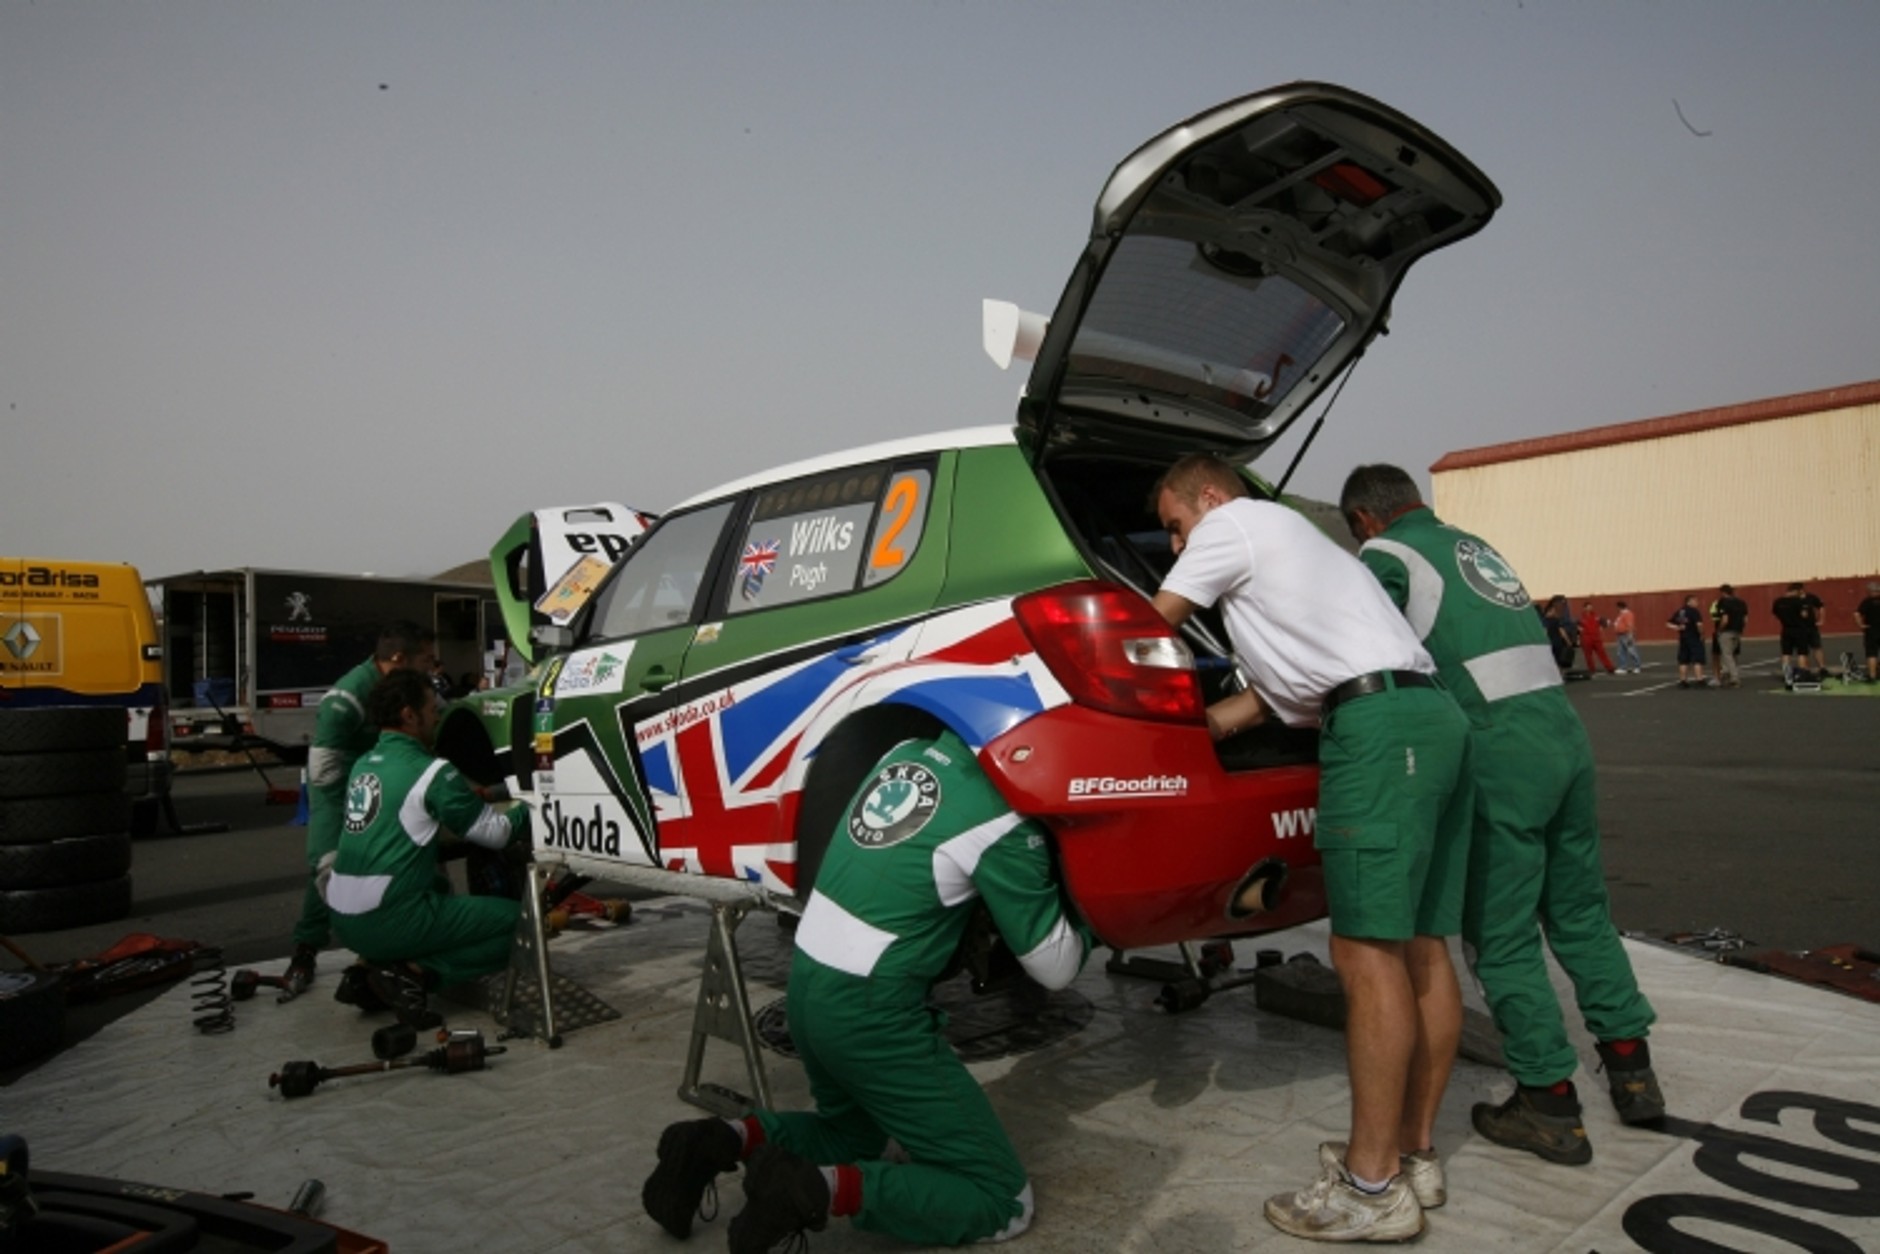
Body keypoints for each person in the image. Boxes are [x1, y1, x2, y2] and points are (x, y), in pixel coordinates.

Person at [1146, 454, 1470, 1243]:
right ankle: (1413, 1156)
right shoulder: (1299, 547)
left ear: (1209, 498)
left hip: (1375, 730)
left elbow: (1151, 627)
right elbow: (1270, 696)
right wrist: (1199, 728)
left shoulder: (1231, 523)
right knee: (1422, 943)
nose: (1177, 545)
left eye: (1175, 526)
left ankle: (1371, 1186)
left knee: (1365, 954)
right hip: (1429, 719)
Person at [640, 729, 1090, 1251]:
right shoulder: (1002, 820)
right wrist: (1092, 916)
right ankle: (811, 1191)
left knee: (851, 1137)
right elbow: (1055, 969)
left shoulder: (905, 752)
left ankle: (717, 1140)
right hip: (871, 1013)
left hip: (808, 985)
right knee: (1001, 1201)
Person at [1340, 465, 1663, 1171]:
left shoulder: (1386, 554)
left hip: (1499, 752)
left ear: (1364, 520)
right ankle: (1633, 1072)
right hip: (1563, 739)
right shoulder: (1472, 546)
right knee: (1580, 912)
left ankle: (1549, 1103)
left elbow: (1353, 640)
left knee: (1503, 933)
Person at [324, 669, 528, 1026]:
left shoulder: (363, 765)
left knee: (437, 888)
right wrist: (536, 802)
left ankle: (372, 970)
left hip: (343, 919)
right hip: (388, 920)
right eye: (433, 709)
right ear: (409, 715)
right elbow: (497, 833)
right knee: (523, 924)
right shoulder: (431, 771)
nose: (437, 717)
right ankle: (417, 975)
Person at [281, 620, 437, 992]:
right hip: (342, 791)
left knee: (418, 855)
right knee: (331, 865)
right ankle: (306, 948)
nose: (431, 668)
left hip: (387, 784)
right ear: (399, 658)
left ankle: (403, 944)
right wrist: (364, 805)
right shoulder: (346, 698)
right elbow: (323, 770)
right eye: (426, 660)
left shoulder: (412, 689)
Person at [1771, 583, 1817, 679]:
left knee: (1786, 653)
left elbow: (1775, 613)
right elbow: (1804, 615)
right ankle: (1802, 674)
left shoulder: (1778, 602)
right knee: (1802, 653)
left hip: (1786, 629)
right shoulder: (1799, 602)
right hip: (1800, 629)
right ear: (1797, 591)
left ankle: (1787, 674)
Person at [1711, 585, 1749, 688]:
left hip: (1727, 631)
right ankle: (1727, 674)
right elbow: (1745, 619)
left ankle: (1734, 677)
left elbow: (1725, 619)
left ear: (1723, 592)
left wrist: (1719, 630)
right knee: (1732, 654)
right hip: (1737, 630)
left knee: (1727, 655)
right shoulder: (1741, 602)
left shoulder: (1723, 602)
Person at [1667, 597, 1706, 688]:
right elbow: (1699, 624)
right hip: (1694, 637)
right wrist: (1701, 634)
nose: (1697, 603)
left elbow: (1668, 623)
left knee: (1683, 660)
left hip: (1683, 637)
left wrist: (1677, 628)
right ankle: (1699, 680)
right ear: (1689, 601)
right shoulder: (1694, 611)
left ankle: (1683, 680)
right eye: (1695, 601)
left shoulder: (1680, 611)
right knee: (1697, 658)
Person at [1577, 603, 1616, 676]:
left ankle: (1610, 667)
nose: (1590, 608)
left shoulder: (1597, 616)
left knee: (1602, 653)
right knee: (1588, 655)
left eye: (1591, 607)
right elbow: (1577, 627)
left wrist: (1602, 627)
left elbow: (1607, 622)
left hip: (1596, 638)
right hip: (1586, 638)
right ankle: (1592, 669)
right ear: (1584, 608)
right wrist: (1579, 633)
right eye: (1588, 607)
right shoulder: (1580, 618)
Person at [1856, 581, 1880, 683]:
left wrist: (1861, 625)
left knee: (1871, 654)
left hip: (1872, 630)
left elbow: (1857, 614)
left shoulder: (1867, 601)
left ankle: (1872, 676)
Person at [1611, 601, 1642, 674]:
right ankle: (1623, 667)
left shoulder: (1628, 614)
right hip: (1620, 635)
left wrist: (1630, 635)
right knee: (1621, 652)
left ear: (1620, 607)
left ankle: (1637, 666)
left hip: (1626, 635)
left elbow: (1630, 625)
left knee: (1632, 651)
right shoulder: (1621, 614)